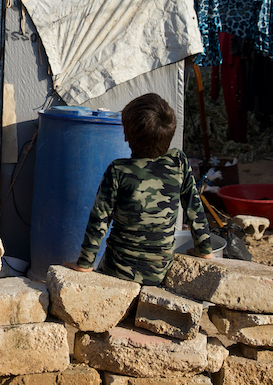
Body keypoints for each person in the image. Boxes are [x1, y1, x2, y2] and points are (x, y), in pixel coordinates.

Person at [72, 93, 213, 285]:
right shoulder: (178, 162)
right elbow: (193, 207)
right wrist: (204, 249)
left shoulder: (118, 169)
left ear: (126, 136)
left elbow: (99, 219)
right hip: (159, 273)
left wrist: (85, 263)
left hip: (117, 270)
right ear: (170, 133)